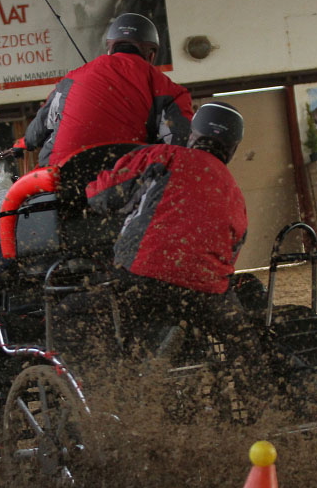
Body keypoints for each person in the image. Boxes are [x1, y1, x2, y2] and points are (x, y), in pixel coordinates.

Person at [85, 101, 248, 354]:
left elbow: (105, 195)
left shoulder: (164, 155)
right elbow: (234, 247)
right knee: (243, 341)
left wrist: (86, 191)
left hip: (143, 276)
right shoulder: (234, 190)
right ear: (233, 147)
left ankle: (117, 373)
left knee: (77, 312)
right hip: (206, 291)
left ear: (193, 134)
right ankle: (253, 379)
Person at [21, 13, 193, 168]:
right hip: (122, 176)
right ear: (151, 54)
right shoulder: (170, 91)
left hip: (61, 173)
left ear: (110, 48)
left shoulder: (72, 79)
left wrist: (24, 143)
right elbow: (177, 149)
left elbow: (34, 134)